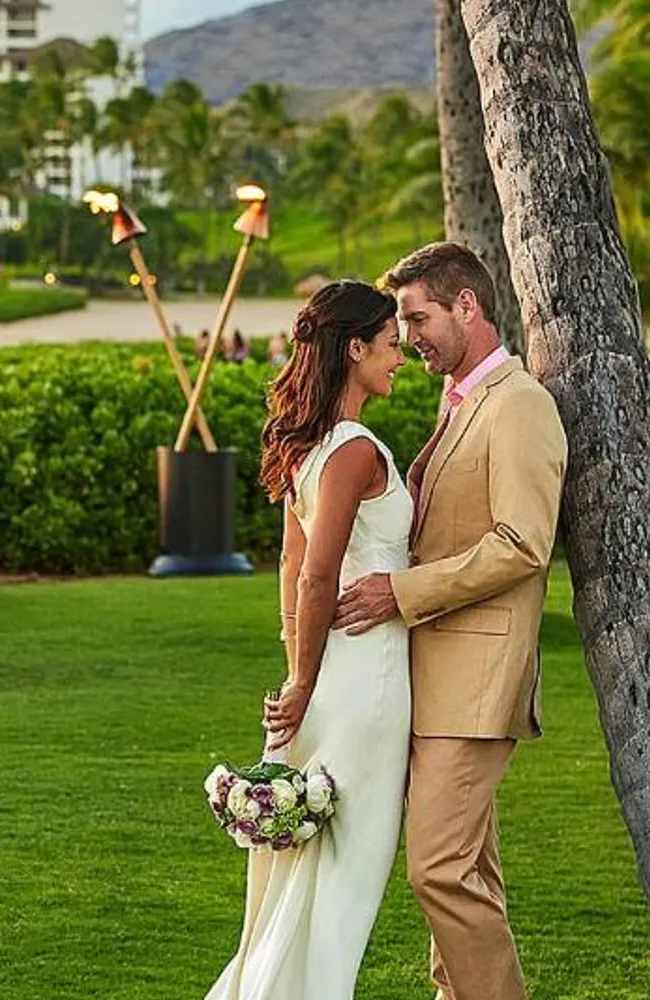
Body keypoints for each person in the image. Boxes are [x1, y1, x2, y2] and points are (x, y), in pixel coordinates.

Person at [334, 242, 566, 1000]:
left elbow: (522, 543)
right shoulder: (462, 399)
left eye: (418, 318)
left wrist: (400, 592)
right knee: (468, 873)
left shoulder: (520, 404)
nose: (409, 339)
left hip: (477, 680)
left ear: (467, 305)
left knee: (437, 869)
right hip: (434, 679)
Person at [204, 279, 411, 1000]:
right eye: (391, 346)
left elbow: (291, 572)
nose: (400, 360)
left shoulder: (308, 448)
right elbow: (315, 574)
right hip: (367, 679)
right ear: (354, 349)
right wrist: (300, 682)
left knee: (315, 871)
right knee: (348, 880)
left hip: (331, 680)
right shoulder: (352, 451)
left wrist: (300, 673)